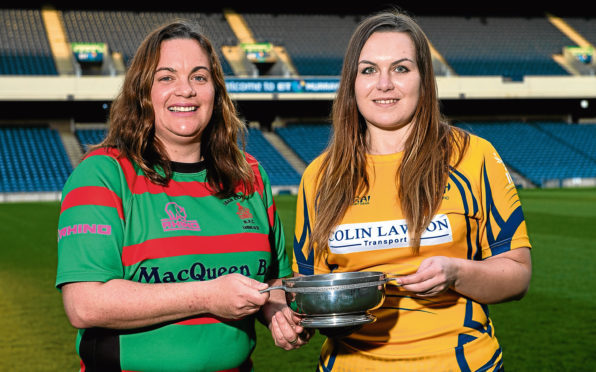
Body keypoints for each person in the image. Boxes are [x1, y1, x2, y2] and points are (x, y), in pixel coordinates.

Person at [284, 9, 532, 371]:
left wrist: (456, 272)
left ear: (423, 79)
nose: (384, 84)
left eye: (401, 68)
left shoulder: (473, 156)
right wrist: (292, 320)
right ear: (351, 82)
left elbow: (518, 275)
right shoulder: (319, 176)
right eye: (368, 70)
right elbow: (308, 288)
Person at [55, 20, 307, 371]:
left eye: (199, 77)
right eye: (167, 77)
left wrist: (276, 310)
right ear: (143, 91)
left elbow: (272, 279)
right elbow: (85, 304)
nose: (185, 90)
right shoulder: (102, 174)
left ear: (216, 92)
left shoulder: (250, 176)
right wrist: (206, 296)